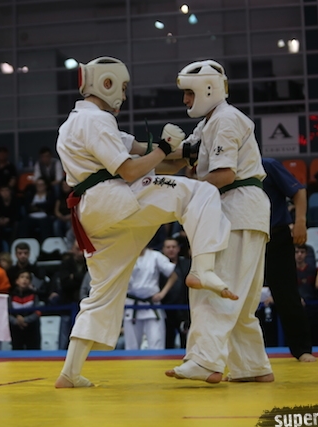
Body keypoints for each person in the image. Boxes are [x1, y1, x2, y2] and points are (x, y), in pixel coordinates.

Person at [55, 57, 232, 388]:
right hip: (113, 199)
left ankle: (70, 373)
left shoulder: (76, 123)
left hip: (95, 213)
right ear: (106, 83)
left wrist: (182, 152)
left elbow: (144, 154)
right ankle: (202, 268)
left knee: (102, 292)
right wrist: (165, 147)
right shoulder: (96, 121)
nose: (123, 95)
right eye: (122, 87)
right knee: (201, 193)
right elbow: (131, 170)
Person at [166, 59, 272, 383]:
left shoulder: (225, 119)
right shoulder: (210, 122)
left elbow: (224, 174)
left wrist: (187, 190)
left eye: (189, 93)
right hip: (244, 210)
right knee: (239, 298)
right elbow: (182, 154)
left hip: (236, 208)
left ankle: (205, 361)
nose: (185, 100)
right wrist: (139, 158)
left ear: (208, 89)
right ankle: (252, 367)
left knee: (213, 287)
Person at [261, 158, 316, 362]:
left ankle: (302, 349)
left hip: (276, 235)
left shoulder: (267, 165)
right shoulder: (225, 169)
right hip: (245, 237)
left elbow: (298, 191)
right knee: (238, 295)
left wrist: (300, 221)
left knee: (287, 294)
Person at [123, 246, 177, 350]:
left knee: (157, 345)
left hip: (152, 305)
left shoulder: (155, 256)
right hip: (132, 305)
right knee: (131, 347)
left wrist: (162, 294)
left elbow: (173, 276)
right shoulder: (124, 257)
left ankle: (157, 361)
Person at [160, 237, 191, 349]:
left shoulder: (187, 264)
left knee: (186, 343)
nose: (171, 249)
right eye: (168, 247)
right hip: (165, 309)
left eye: (173, 247)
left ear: (178, 249)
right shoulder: (158, 264)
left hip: (184, 309)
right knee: (167, 342)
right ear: (163, 249)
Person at [295, 244, 318, 346]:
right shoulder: (290, 272)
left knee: (315, 335)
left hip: (313, 308)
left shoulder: (313, 270)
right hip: (297, 308)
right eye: (297, 252)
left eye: (302, 252)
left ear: (306, 254)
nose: (299, 255)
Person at [8, 269, 41, 350]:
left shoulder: (34, 295)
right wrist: (16, 321)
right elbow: (6, 313)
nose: (24, 280)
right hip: (16, 328)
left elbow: (38, 312)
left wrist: (25, 320)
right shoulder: (11, 296)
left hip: (32, 328)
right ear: (17, 281)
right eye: (22, 277)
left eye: (27, 278)